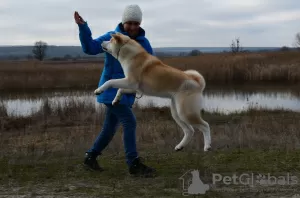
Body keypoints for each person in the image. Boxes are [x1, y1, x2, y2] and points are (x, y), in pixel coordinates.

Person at [74, 4, 156, 177]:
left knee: (110, 128)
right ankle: (133, 164)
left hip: (127, 92)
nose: (133, 27)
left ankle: (91, 157)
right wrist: (83, 27)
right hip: (110, 90)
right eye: (129, 23)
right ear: (123, 22)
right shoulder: (112, 37)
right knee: (129, 122)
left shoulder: (143, 42)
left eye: (136, 23)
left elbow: (150, 65)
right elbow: (90, 48)